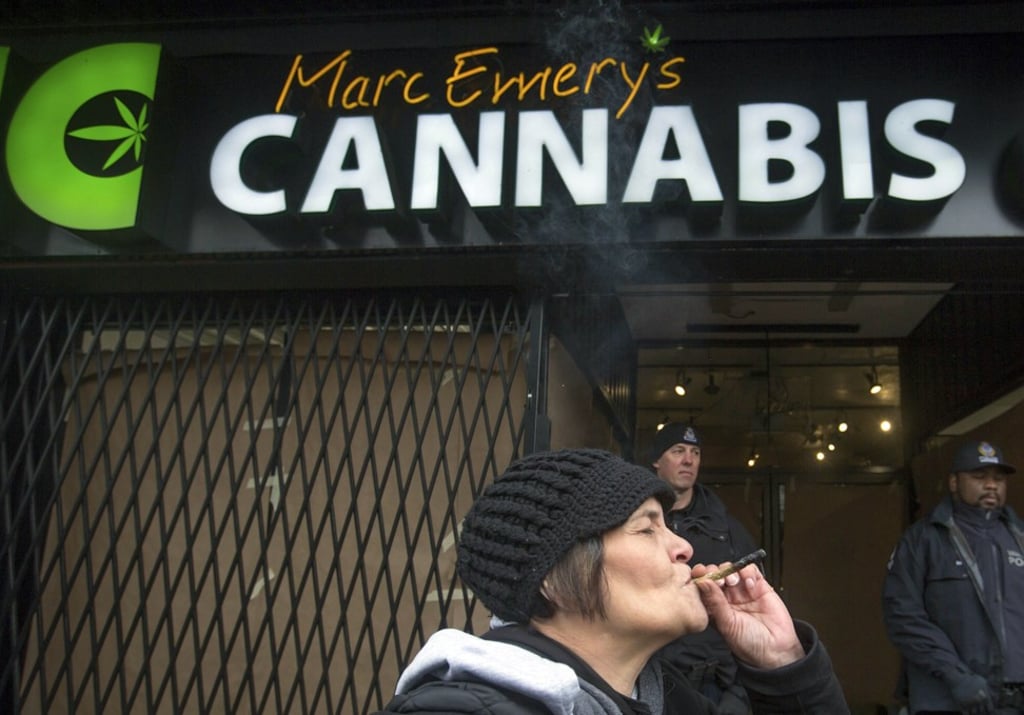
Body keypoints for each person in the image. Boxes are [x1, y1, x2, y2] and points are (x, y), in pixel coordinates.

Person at [375, 448, 848, 714]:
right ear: (553, 579)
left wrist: (783, 665)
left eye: (669, 526)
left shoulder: (673, 703)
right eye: (646, 529)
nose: (684, 548)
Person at [883, 439, 1024, 715]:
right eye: (979, 477)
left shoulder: (1019, 538)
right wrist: (956, 675)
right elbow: (903, 615)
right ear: (953, 482)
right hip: (948, 698)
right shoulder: (923, 540)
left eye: (998, 479)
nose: (991, 485)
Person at [649, 423, 760, 714]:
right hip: (648, 682)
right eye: (678, 451)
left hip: (713, 687)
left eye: (695, 452)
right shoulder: (634, 525)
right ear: (657, 460)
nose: (688, 460)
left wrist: (739, 697)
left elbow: (756, 611)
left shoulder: (727, 530)